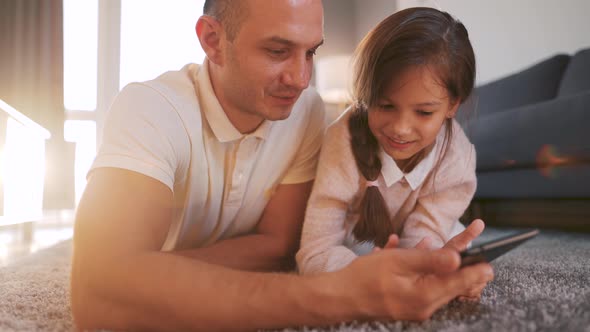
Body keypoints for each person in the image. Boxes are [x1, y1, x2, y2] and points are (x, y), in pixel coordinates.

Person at [70, 1, 493, 331]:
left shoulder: (304, 111)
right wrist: (343, 295)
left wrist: (157, 273)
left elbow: (279, 245)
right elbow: (97, 292)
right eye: (278, 51)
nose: (301, 78)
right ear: (213, 40)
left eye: (311, 52)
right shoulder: (150, 108)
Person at [297, 7, 488, 300]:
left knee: (457, 249)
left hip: (419, 239)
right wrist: (370, 273)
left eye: (424, 112)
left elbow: (425, 235)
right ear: (366, 95)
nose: (400, 128)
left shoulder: (457, 160)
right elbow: (314, 250)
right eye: (385, 106)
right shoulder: (342, 140)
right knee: (336, 262)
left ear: (453, 105)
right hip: (358, 244)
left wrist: (432, 267)